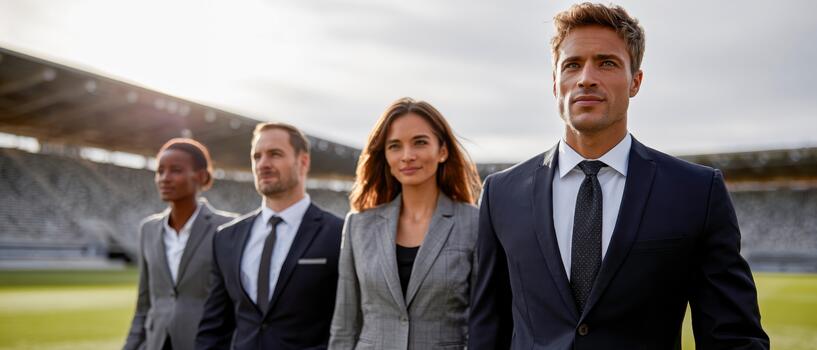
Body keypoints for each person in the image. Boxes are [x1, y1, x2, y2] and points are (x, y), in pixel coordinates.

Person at [468, 3, 769, 349]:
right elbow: (487, 330)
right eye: (572, 65)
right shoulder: (501, 194)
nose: (586, 78)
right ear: (555, 84)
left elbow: (733, 337)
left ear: (635, 82)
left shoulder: (696, 191)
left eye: (607, 63)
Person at [329, 97, 482, 349]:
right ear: (385, 156)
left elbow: (484, 320)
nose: (407, 156)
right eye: (395, 146)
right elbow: (344, 325)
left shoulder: (473, 223)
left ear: (442, 151)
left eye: (420, 143)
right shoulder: (358, 225)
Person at [196, 122, 343, 350]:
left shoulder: (338, 233)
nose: (263, 164)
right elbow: (214, 327)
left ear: (303, 162)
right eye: (257, 156)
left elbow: (349, 324)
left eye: (275, 154)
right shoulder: (227, 237)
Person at [124, 138, 237, 350]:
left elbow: (237, 304)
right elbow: (144, 305)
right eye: (160, 171)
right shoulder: (148, 229)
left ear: (201, 176)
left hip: (207, 343)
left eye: (175, 170)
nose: (164, 178)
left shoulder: (229, 228)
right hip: (155, 343)